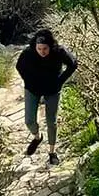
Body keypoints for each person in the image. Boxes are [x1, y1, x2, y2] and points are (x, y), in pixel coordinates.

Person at [15, 29, 78, 165]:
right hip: (33, 89)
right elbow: (19, 66)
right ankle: (37, 137)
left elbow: (73, 64)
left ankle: (52, 152)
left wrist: (60, 81)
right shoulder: (28, 53)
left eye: (45, 49)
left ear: (50, 46)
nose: (42, 51)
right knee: (29, 120)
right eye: (39, 49)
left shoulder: (59, 52)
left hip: (52, 90)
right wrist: (28, 80)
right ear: (35, 47)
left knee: (51, 122)